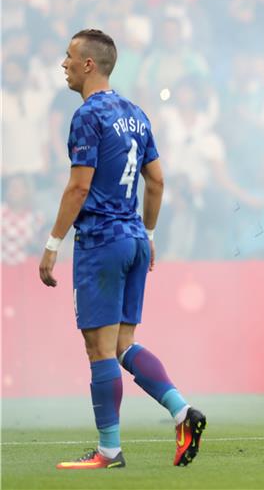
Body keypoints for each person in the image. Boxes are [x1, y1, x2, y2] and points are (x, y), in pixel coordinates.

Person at [38, 29, 206, 469]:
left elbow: (78, 187)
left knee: (99, 349)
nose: (64, 64)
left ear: (89, 64)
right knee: (123, 345)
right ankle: (182, 410)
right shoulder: (136, 114)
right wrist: (148, 234)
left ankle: (109, 450)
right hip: (133, 238)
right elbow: (158, 180)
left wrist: (53, 244)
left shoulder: (87, 116)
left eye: (69, 56)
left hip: (101, 242)